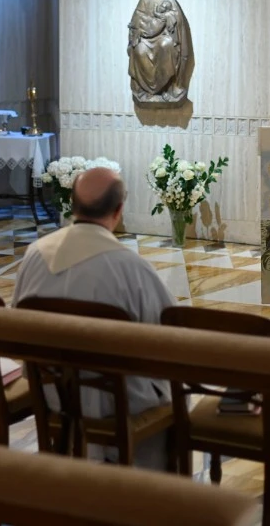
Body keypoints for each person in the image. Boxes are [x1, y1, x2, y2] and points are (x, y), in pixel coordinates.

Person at [13, 167, 176, 470]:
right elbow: (170, 333)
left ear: (72, 204)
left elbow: (18, 327)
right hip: (118, 402)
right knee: (168, 391)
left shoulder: (35, 255)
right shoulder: (130, 268)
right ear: (119, 211)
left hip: (54, 395)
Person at [127, 0, 193, 104]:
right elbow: (136, 17)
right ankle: (145, 90)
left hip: (162, 36)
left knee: (167, 45)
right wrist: (142, 26)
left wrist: (168, 16)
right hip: (146, 37)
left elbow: (177, 20)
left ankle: (166, 88)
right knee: (139, 50)